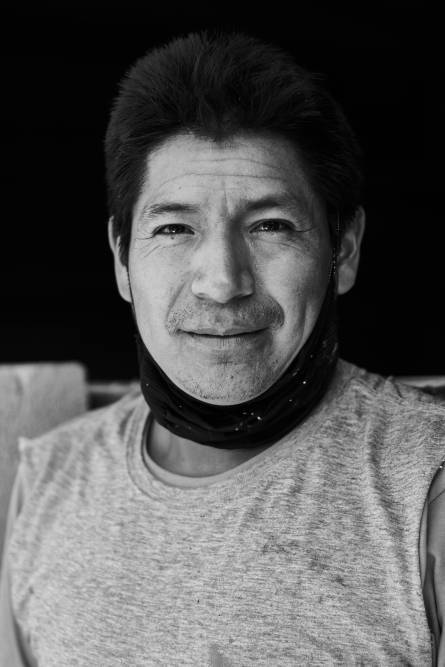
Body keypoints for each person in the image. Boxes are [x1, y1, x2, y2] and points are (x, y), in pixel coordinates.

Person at [1, 30, 444, 666]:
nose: (222, 282)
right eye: (174, 228)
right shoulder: (49, 482)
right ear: (122, 260)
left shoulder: (425, 485)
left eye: (270, 226)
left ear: (342, 250)